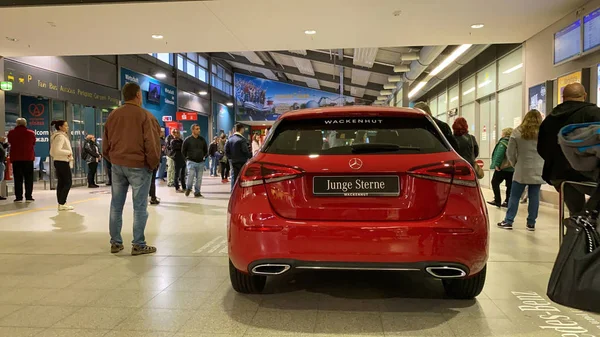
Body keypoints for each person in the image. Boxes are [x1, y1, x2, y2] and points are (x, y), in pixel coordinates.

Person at [103, 82, 161, 256]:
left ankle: (115, 242)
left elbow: (105, 145)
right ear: (138, 95)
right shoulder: (145, 116)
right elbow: (151, 143)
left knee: (116, 205)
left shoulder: (113, 115)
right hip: (138, 166)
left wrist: (114, 159)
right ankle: (138, 244)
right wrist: (152, 164)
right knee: (140, 207)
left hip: (117, 165)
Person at [538, 83, 600, 214]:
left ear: (563, 97)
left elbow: (541, 148)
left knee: (575, 213)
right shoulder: (594, 113)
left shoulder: (550, 119)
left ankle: (577, 232)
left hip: (560, 175)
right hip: (589, 176)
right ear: (585, 96)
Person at [497, 110, 545, 231]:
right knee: (534, 196)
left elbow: (510, 152)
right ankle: (531, 223)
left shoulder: (517, 132)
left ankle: (508, 221)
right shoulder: (544, 132)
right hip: (538, 169)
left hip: (521, 168)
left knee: (515, 195)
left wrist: (515, 164)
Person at [7, 118, 36, 202]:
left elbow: (10, 142)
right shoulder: (31, 133)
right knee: (29, 178)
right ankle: (29, 196)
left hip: (16, 159)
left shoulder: (11, 133)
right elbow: (33, 143)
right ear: (25, 124)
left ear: (17, 124)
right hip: (28, 158)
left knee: (18, 178)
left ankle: (18, 196)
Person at [50, 120, 74, 211]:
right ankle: (62, 202)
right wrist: (68, 153)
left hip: (59, 161)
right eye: (65, 126)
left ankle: (61, 202)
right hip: (62, 161)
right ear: (60, 127)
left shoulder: (59, 136)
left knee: (62, 182)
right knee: (67, 182)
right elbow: (57, 150)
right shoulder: (60, 137)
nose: (67, 127)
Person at [488, 128, 514, 208]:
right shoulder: (514, 142)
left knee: (494, 182)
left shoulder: (503, 142)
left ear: (505, 134)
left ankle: (497, 200)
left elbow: (499, 154)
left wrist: (497, 165)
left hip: (502, 168)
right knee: (509, 185)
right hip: (512, 168)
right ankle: (507, 201)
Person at [182, 124, 208, 197]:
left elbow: (206, 150)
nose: (199, 130)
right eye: (197, 129)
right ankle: (188, 188)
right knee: (190, 176)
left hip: (200, 162)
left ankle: (197, 192)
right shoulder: (187, 140)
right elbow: (183, 151)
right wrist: (186, 159)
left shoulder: (202, 140)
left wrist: (204, 157)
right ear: (192, 130)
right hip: (191, 162)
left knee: (199, 179)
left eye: (199, 128)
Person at [225, 123, 252, 190]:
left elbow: (226, 150)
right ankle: (239, 191)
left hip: (233, 161)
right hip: (241, 161)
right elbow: (245, 151)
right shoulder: (242, 140)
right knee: (241, 177)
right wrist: (250, 156)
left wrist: (230, 157)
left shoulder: (230, 139)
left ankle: (233, 191)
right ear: (241, 129)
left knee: (233, 176)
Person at [169, 129, 186, 193]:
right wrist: (181, 147)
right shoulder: (173, 141)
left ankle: (184, 186)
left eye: (178, 133)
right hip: (177, 158)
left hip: (182, 158)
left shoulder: (181, 141)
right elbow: (175, 148)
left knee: (183, 174)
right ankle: (177, 187)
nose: (178, 134)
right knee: (177, 173)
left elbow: (184, 147)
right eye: (176, 133)